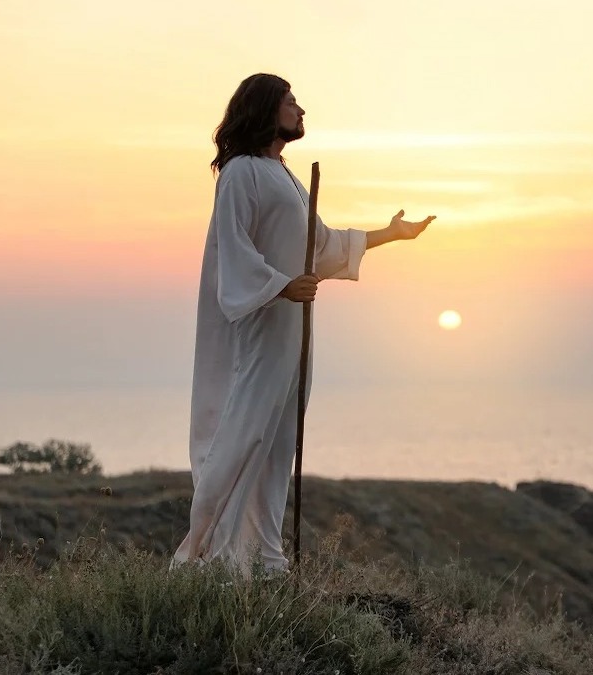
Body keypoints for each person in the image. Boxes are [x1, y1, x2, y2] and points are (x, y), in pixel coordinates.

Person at [171, 73, 435, 574]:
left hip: (291, 333)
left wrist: (392, 234)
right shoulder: (241, 172)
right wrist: (280, 286)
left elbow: (325, 245)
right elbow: (233, 248)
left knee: (275, 447)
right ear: (266, 108)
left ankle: (264, 561)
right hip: (260, 328)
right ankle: (202, 559)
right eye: (291, 101)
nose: (300, 109)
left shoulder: (287, 177)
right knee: (244, 435)